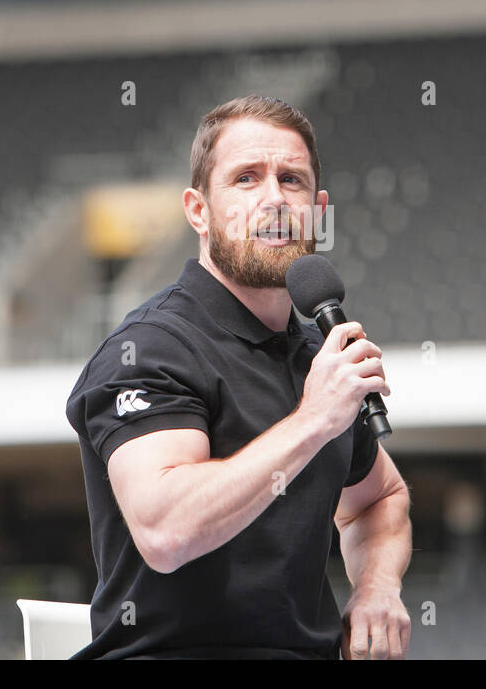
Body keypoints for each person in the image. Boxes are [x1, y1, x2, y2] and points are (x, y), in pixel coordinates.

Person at [66, 95, 412, 659]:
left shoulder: (318, 355)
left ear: (317, 209)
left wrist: (375, 586)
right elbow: (166, 530)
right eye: (246, 179)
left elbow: (381, 497)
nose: (274, 198)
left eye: (292, 180)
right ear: (198, 210)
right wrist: (313, 421)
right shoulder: (151, 348)